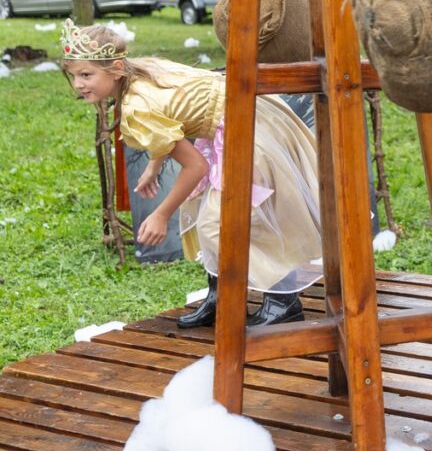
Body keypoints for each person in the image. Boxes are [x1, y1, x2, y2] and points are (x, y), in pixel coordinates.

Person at [59, 20, 323, 328]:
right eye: (74, 75)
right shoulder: (142, 70)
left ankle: (283, 302)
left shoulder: (136, 108)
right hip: (246, 115)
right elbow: (171, 120)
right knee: (203, 213)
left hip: (248, 131)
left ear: (116, 68)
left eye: (86, 74)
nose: (78, 84)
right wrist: (154, 166)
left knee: (223, 222)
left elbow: (196, 165)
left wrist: (161, 214)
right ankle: (223, 296)